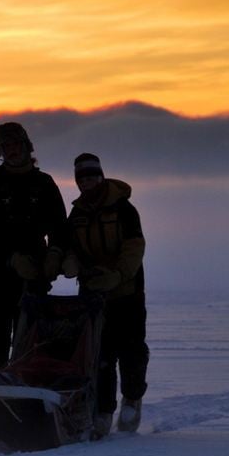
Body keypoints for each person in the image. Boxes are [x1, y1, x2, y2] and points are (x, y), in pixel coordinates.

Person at [63, 152, 149, 437]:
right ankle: (103, 410)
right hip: (94, 296)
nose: (87, 183)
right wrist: (71, 263)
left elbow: (134, 247)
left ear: (100, 176)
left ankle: (132, 400)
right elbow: (71, 247)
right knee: (99, 355)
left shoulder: (124, 209)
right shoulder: (76, 214)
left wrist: (119, 275)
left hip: (127, 293)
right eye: (82, 179)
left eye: (91, 177)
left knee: (132, 351)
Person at [0, 122, 67, 381]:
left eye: (16, 144)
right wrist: (12, 259)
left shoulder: (45, 184)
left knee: (31, 338)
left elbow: (59, 226)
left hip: (36, 274)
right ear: (0, 151)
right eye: (6, 146)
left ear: (27, 146)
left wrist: (55, 254)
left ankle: (29, 398)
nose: (12, 150)